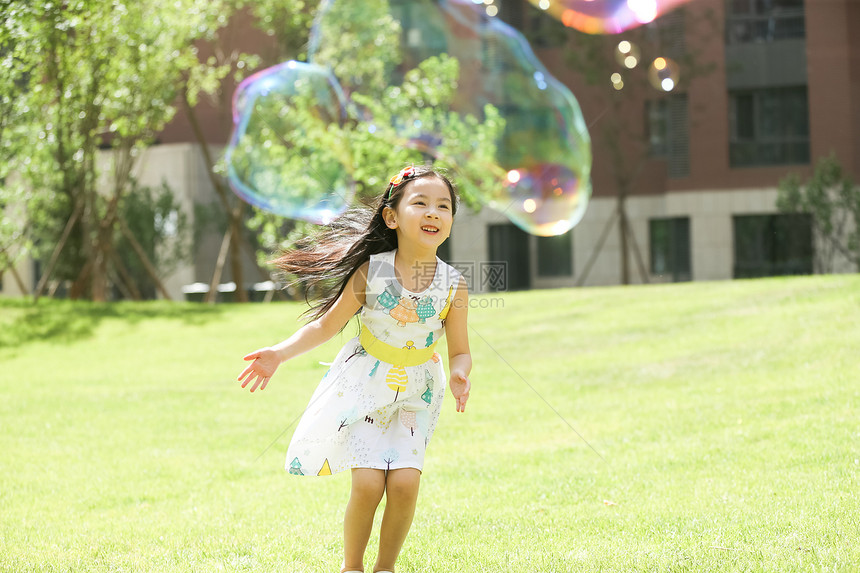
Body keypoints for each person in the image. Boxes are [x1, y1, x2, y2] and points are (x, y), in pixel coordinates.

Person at [237, 164, 472, 573]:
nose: (434, 212)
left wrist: (459, 373)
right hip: (365, 385)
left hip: (418, 392)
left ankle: (385, 567)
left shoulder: (454, 284)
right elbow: (326, 326)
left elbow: (461, 350)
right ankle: (352, 566)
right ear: (392, 217)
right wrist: (279, 352)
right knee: (366, 485)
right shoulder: (373, 272)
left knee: (405, 484)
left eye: (443, 206)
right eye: (421, 203)